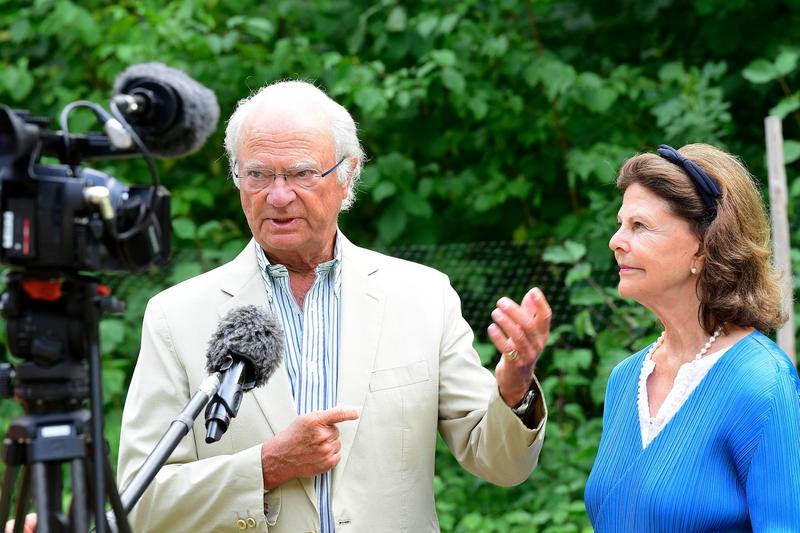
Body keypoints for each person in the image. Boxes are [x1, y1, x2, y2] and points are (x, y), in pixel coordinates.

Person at [114, 81, 551, 532]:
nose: (278, 195)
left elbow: (502, 465)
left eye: (301, 173)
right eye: (258, 175)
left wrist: (515, 388)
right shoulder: (177, 315)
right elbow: (140, 500)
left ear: (347, 176)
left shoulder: (423, 297)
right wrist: (265, 466)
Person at [584, 143, 800, 531]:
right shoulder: (624, 380)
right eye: (620, 224)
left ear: (702, 246)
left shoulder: (762, 382)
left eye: (639, 226)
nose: (616, 240)